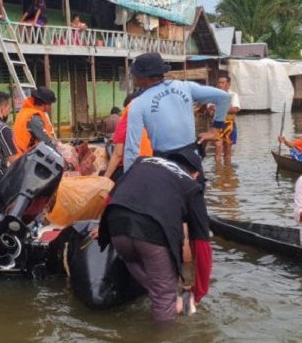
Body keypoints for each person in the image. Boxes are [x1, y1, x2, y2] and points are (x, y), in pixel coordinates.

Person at [97, 155, 212, 323]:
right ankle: (168, 326)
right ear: (195, 174)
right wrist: (199, 291)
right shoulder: (192, 187)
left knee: (136, 264)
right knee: (164, 298)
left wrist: (101, 228)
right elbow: (202, 245)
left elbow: (111, 197)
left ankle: (176, 301)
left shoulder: (143, 161)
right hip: (152, 234)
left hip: (117, 228)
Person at [124, 53, 230, 187]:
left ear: (143, 78)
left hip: (165, 165)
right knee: (195, 202)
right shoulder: (185, 87)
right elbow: (224, 98)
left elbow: (132, 150)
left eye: (134, 74)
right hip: (192, 161)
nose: (133, 77)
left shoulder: (138, 104)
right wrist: (215, 130)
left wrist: (128, 183)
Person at [102, 93, 153, 183]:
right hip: (155, 165)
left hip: (136, 168)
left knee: (103, 174)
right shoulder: (152, 114)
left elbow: (118, 154)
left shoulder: (126, 117)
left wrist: (104, 179)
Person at [13, 87, 57, 154]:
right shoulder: (34, 118)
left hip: (19, 152)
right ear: (46, 105)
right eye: (50, 104)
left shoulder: (24, 112)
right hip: (26, 157)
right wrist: (61, 153)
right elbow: (46, 141)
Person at [214, 72, 240, 165]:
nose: (220, 85)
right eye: (219, 83)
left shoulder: (233, 95)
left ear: (228, 84)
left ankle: (227, 172)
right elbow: (210, 110)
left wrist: (219, 108)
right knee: (218, 147)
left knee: (228, 150)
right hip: (217, 124)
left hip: (229, 125)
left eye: (223, 83)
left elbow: (235, 109)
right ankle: (219, 171)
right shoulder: (213, 95)